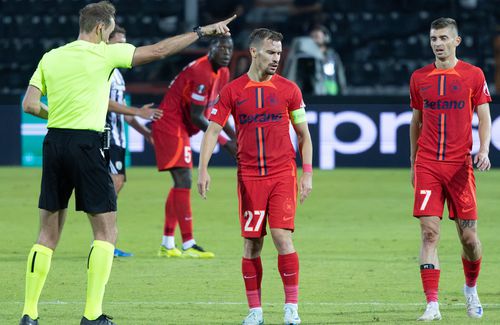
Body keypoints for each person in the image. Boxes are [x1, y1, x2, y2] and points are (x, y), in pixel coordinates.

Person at [19, 0, 236, 323]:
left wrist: (60, 116)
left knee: (47, 235)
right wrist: (201, 32)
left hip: (54, 143)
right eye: (109, 29)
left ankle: (28, 314)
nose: (109, 35)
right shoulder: (104, 53)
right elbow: (161, 50)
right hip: (87, 145)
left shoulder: (51, 57)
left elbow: (30, 104)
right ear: (99, 28)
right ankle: (92, 316)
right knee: (106, 232)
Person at [197, 28, 313, 325]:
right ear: (254, 52)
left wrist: (307, 174)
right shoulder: (233, 91)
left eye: (279, 53)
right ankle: (255, 311)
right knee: (252, 244)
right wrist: (203, 169)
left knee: (280, 236)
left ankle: (291, 308)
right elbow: (212, 130)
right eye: (271, 52)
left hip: (282, 173)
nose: (276, 58)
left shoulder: (289, 90)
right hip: (249, 177)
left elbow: (304, 136)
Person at [409, 17, 491, 321]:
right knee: (429, 233)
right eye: (433, 39)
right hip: (428, 164)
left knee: (469, 240)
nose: (438, 43)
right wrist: (413, 162)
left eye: (443, 38)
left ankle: (471, 289)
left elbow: (484, 117)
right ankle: (432, 304)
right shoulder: (419, 77)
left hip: (460, 167)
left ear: (456, 41)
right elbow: (415, 122)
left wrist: (483, 149)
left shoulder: (473, 75)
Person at [152, 36, 236, 259]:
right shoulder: (201, 72)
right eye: (222, 48)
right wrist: (227, 144)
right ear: (211, 49)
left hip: (180, 127)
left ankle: (167, 243)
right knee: (184, 179)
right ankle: (188, 244)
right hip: (170, 124)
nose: (226, 52)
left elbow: (217, 110)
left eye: (230, 48)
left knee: (180, 182)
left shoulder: (223, 73)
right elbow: (198, 116)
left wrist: (238, 137)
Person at [105, 25, 163, 258]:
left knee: (116, 185)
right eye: (119, 43)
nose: (124, 48)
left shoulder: (117, 73)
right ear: (106, 43)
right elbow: (105, 103)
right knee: (113, 185)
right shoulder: (106, 71)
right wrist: (137, 111)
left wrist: (144, 131)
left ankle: (106, 241)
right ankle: (105, 241)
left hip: (117, 137)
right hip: (107, 135)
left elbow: (124, 112)